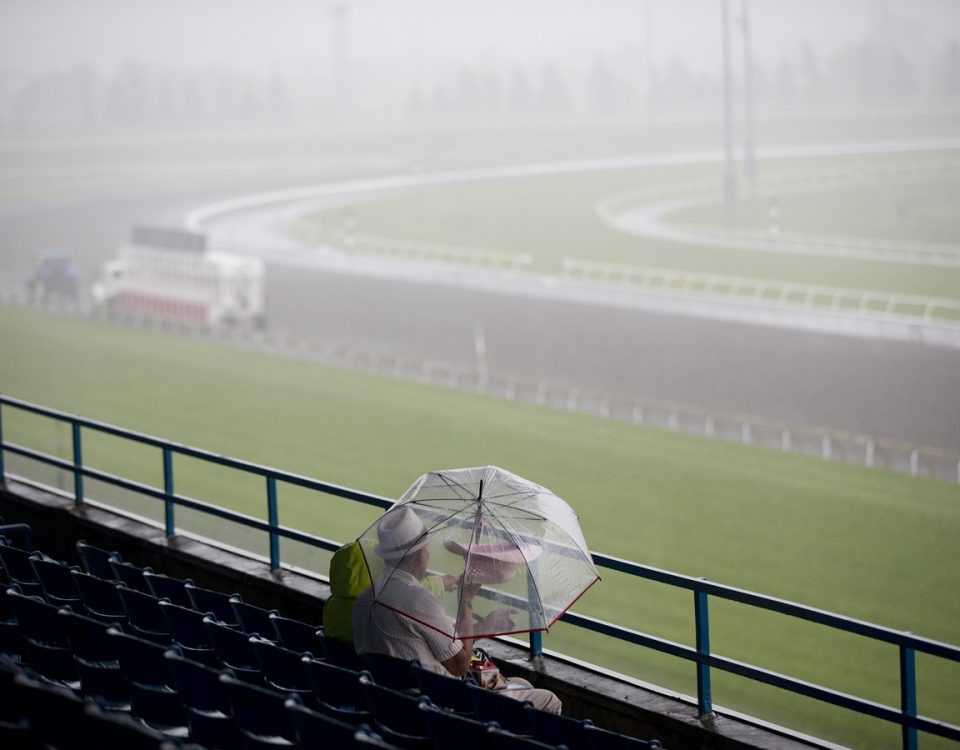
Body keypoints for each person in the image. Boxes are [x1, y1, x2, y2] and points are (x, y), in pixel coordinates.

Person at [352, 506, 562, 714]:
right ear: (420, 555)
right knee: (549, 699)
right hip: (449, 704)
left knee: (519, 682)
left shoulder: (365, 600)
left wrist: (482, 627)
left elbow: (431, 644)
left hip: (397, 704)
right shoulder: (418, 600)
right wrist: (466, 600)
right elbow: (460, 665)